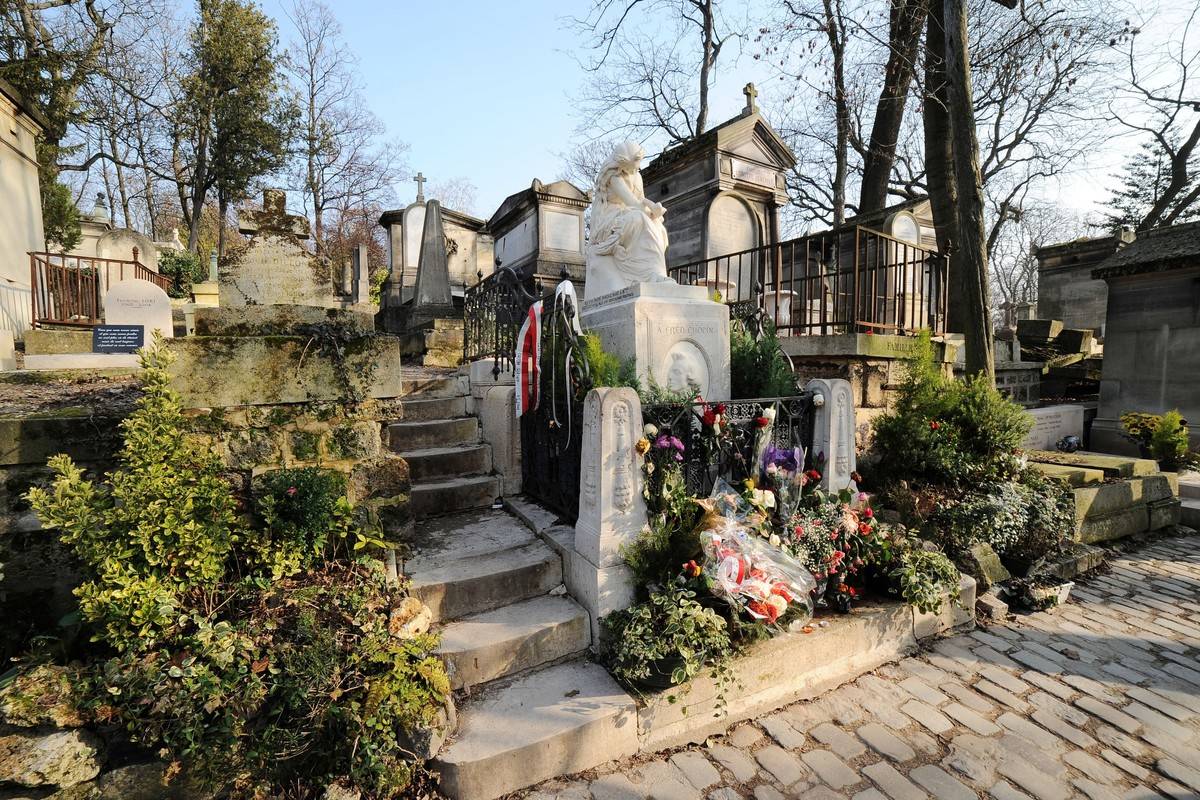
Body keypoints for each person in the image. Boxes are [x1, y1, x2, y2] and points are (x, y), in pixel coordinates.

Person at [585, 141, 675, 297]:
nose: (639, 167)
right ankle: (649, 275)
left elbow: (641, 200)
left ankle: (656, 273)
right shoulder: (613, 177)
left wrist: (654, 209)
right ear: (623, 163)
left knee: (658, 226)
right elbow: (633, 203)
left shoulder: (636, 175)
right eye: (635, 163)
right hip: (608, 219)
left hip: (631, 212)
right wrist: (651, 211)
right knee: (639, 218)